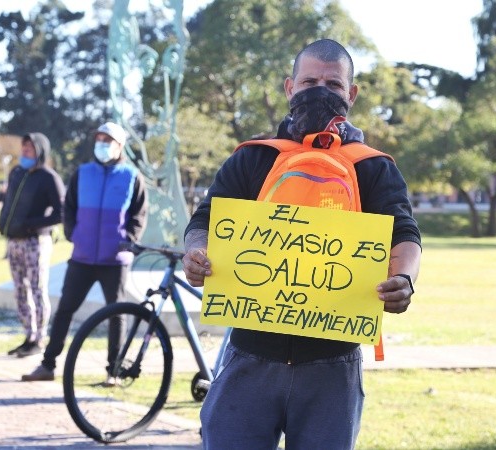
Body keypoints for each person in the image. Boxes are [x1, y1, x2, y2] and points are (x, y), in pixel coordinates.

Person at [181, 39, 422, 449]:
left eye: (333, 84)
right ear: (290, 88)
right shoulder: (252, 157)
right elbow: (204, 220)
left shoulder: (373, 167)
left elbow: (404, 233)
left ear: (351, 94)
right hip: (251, 353)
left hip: (333, 362)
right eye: (310, 82)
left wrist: (404, 278)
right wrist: (196, 252)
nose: (320, 92)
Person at [22, 121, 149, 382]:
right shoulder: (82, 173)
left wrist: (127, 240)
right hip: (82, 257)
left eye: (107, 140)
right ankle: (47, 365)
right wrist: (73, 234)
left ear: (120, 146)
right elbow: (68, 208)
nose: (101, 144)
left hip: (115, 260)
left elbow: (139, 214)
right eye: (99, 139)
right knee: (65, 310)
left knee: (116, 314)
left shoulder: (131, 176)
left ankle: (113, 371)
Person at [0, 132, 66, 358]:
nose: (25, 152)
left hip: (35, 242)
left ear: (40, 151)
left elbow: (61, 212)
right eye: (23, 148)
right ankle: (29, 335)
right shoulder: (17, 173)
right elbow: (9, 203)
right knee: (20, 291)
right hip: (14, 242)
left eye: (30, 148)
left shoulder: (48, 178)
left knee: (37, 289)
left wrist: (32, 225)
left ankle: (40, 338)